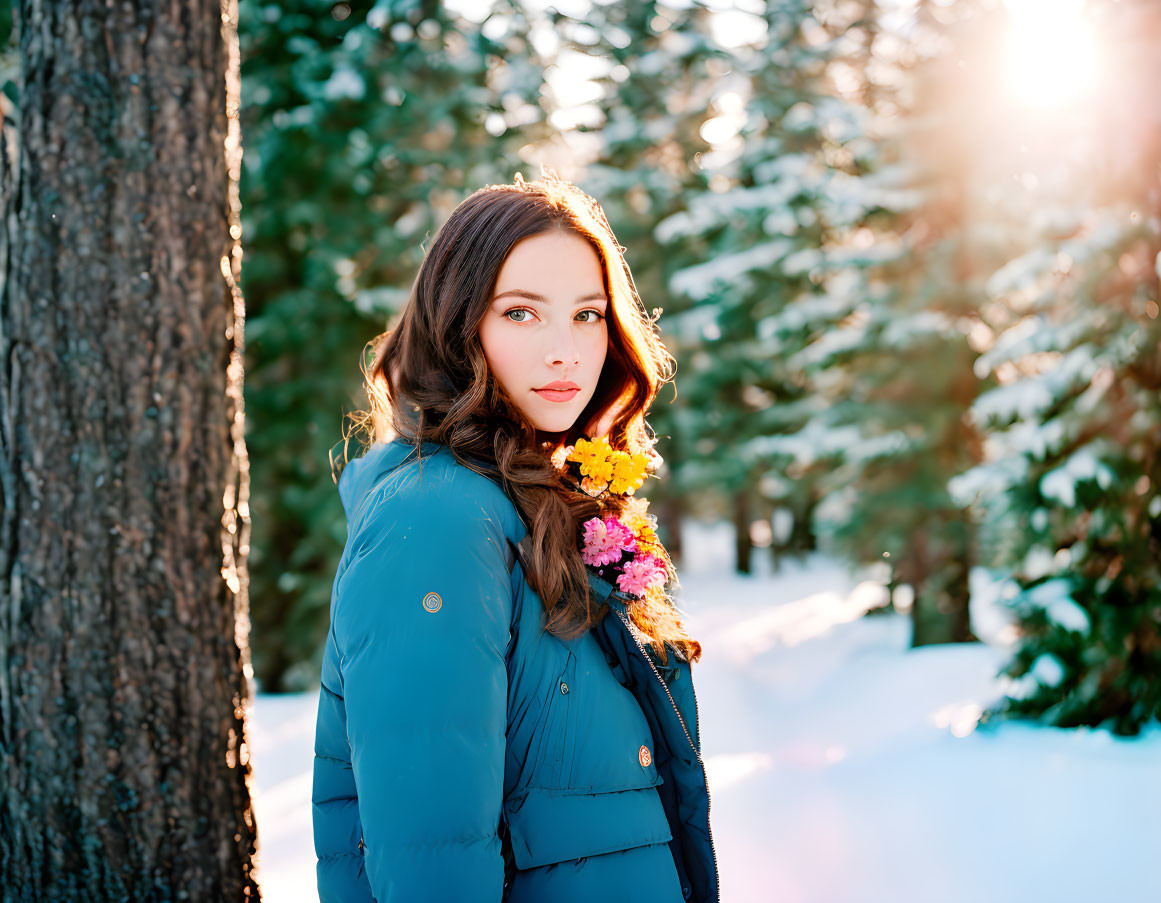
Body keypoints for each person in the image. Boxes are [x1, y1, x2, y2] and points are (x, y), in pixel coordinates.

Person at [311, 167, 719, 903]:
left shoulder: (549, 506)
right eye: (521, 313)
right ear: (458, 324)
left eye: (587, 315)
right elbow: (431, 860)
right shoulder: (435, 517)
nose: (564, 349)